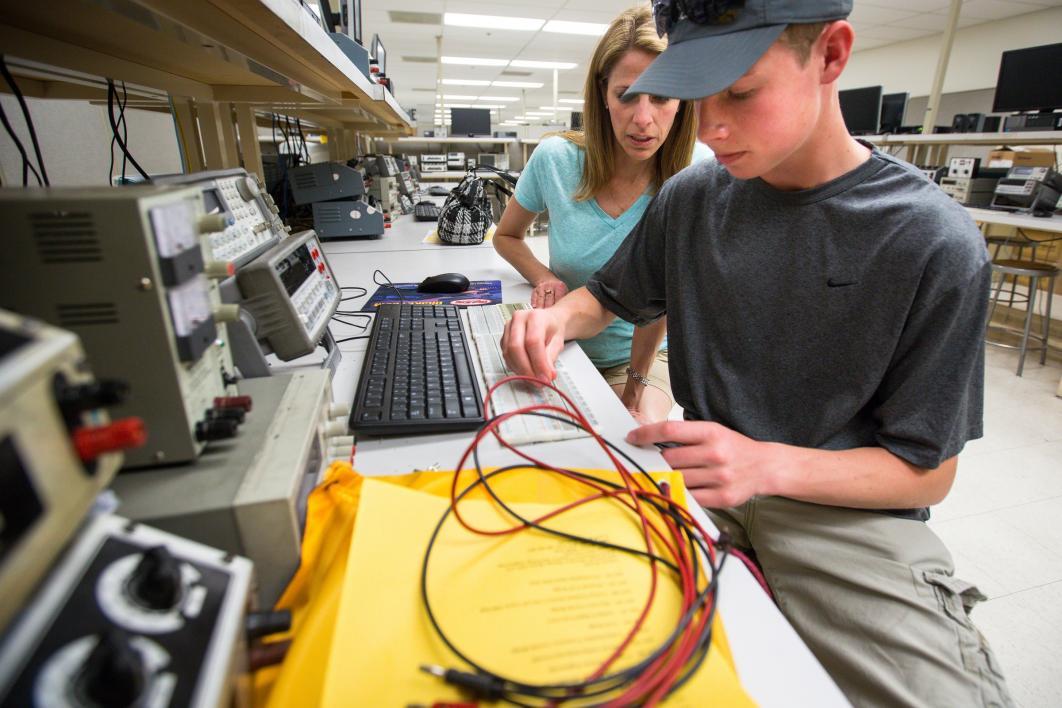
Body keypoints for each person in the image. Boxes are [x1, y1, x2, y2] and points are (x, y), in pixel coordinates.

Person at [500, 1, 1014, 705]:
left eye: (740, 92)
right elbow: (610, 298)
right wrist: (556, 321)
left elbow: (925, 475)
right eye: (697, 96)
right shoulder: (691, 199)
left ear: (830, 56)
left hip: (840, 514)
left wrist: (765, 462)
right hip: (701, 489)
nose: (709, 127)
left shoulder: (932, 243)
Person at [493, 5, 712, 424]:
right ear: (603, 95)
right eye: (626, 95)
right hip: (565, 337)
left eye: (662, 96)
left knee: (630, 436)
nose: (643, 119)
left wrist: (634, 383)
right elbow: (506, 236)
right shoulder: (557, 160)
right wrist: (544, 277)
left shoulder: (695, 172)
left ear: (682, 101)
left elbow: (660, 301)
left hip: (647, 354)